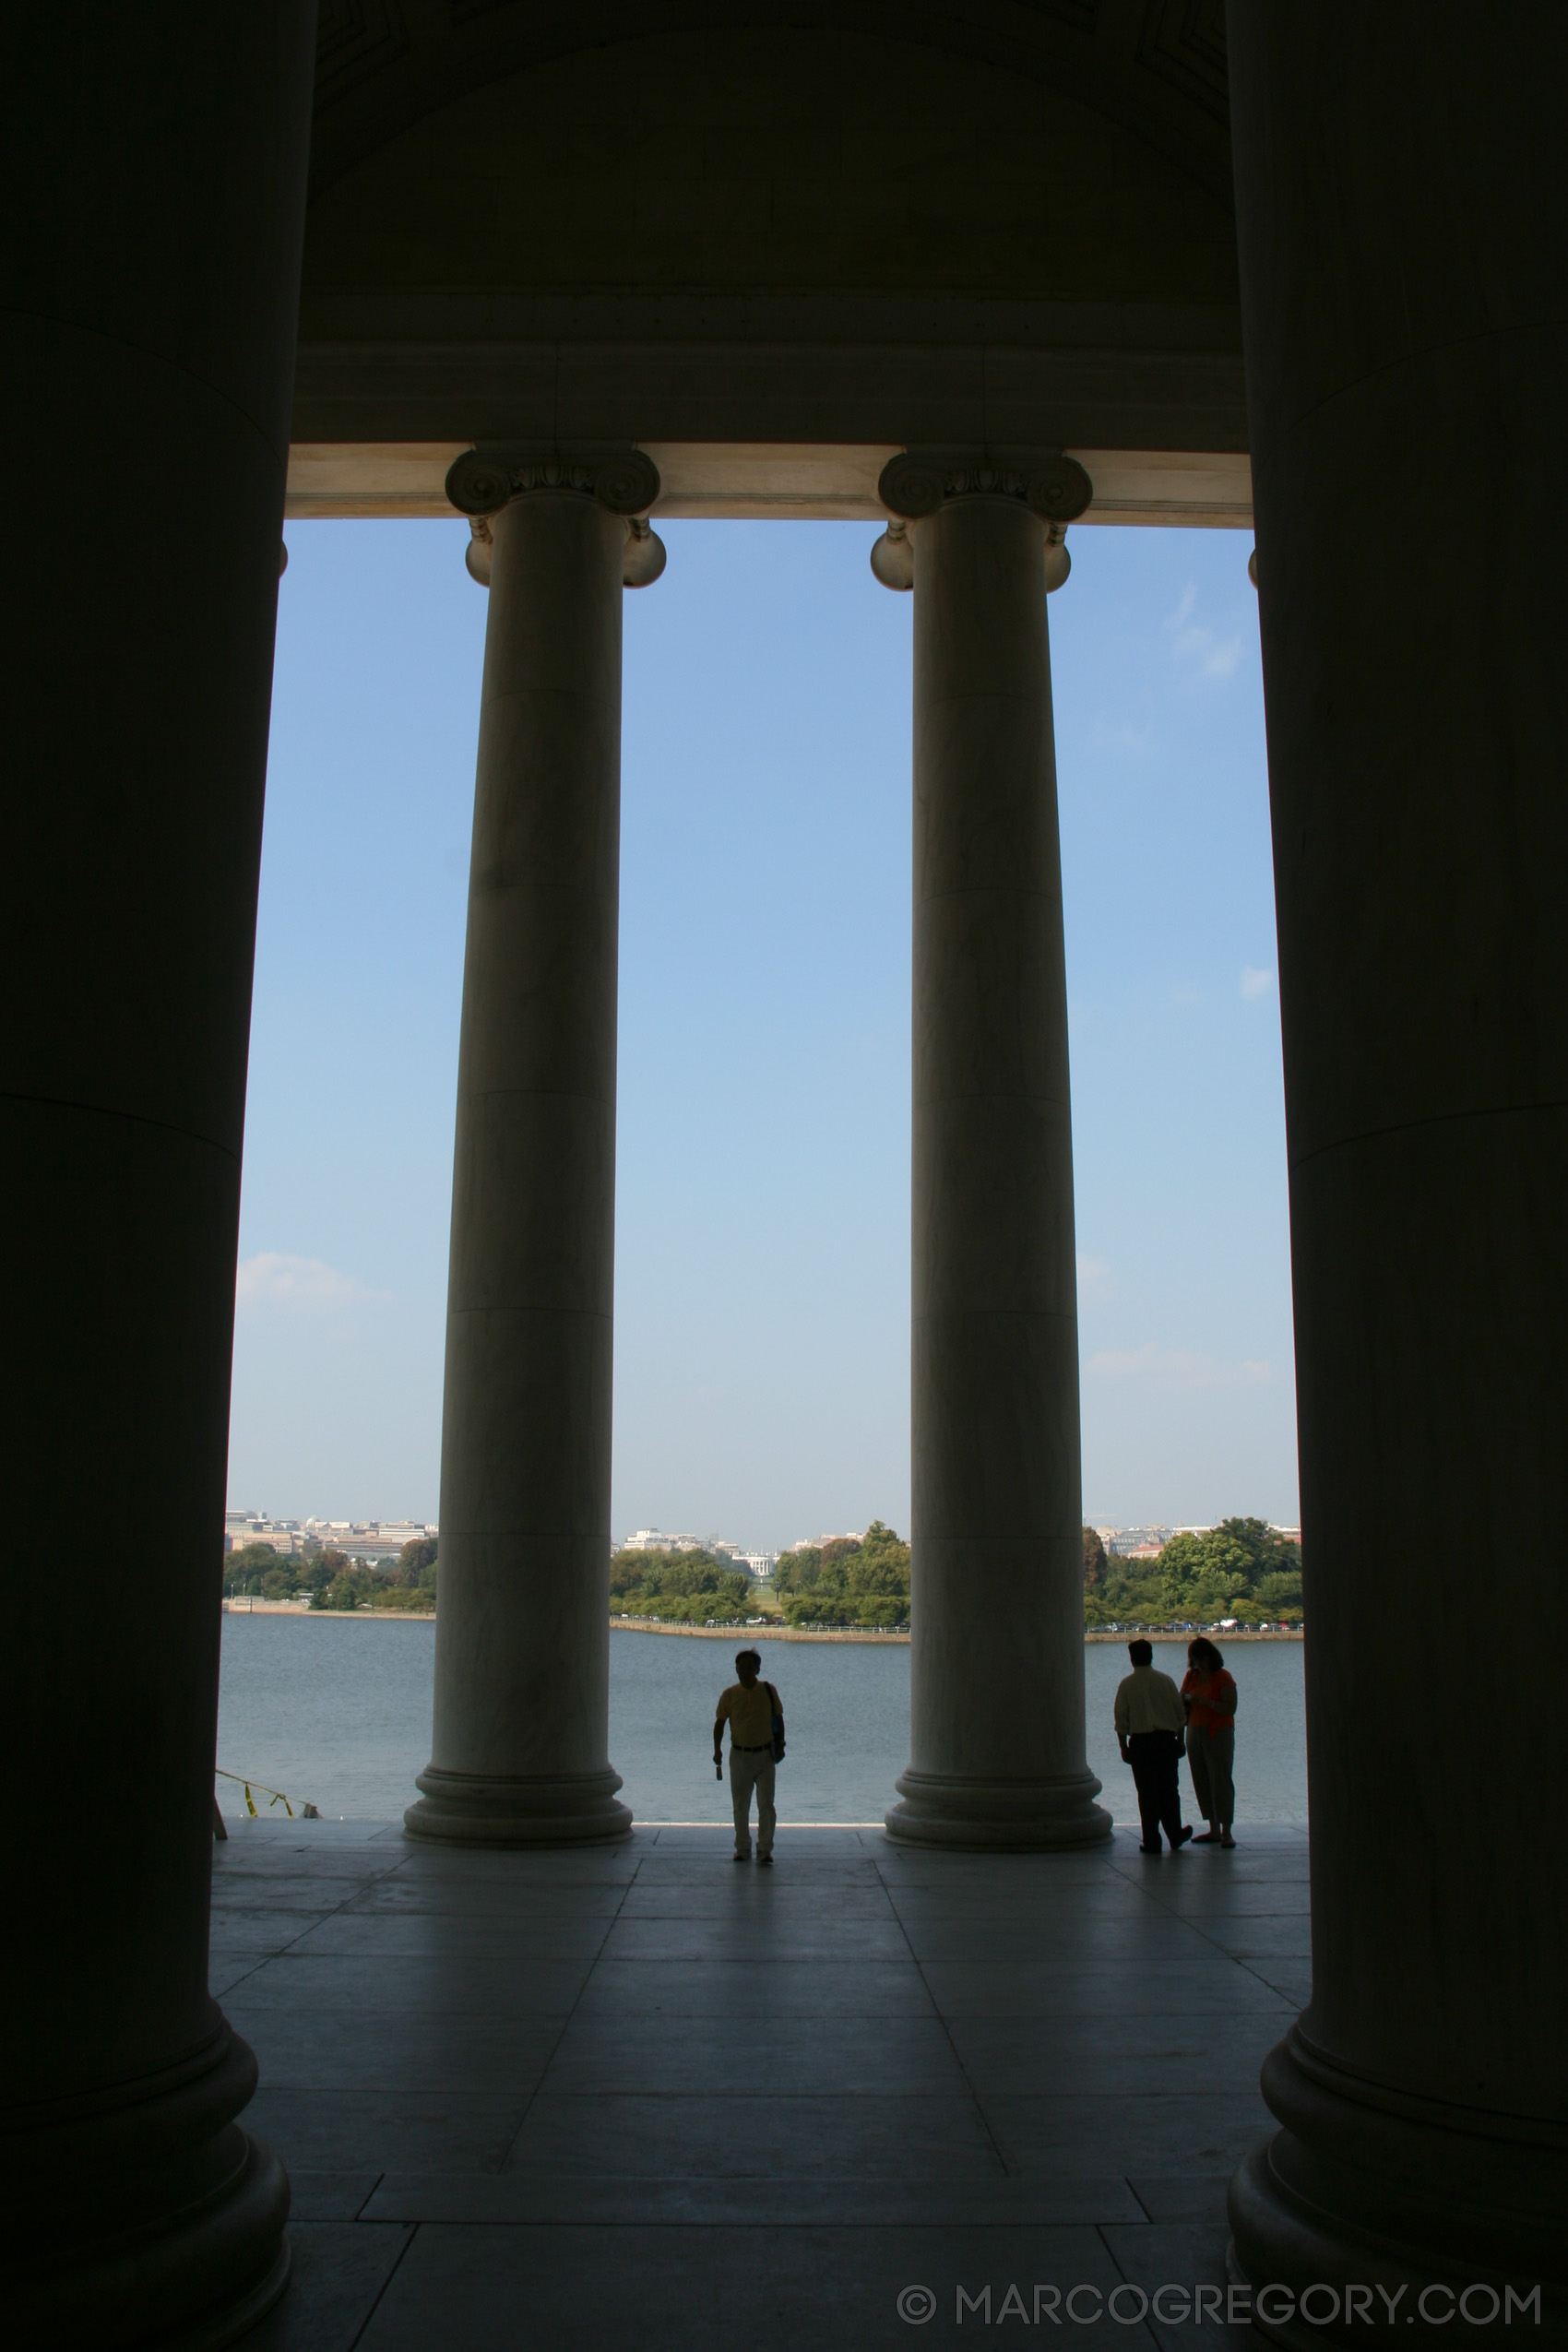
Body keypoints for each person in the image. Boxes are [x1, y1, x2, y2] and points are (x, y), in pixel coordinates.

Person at [1113, 1638, 1194, 1854]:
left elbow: (1121, 1720)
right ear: (1151, 1656)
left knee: (1146, 1794)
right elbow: (1180, 1716)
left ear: (1132, 1659)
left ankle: (1151, 1840)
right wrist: (1180, 1740)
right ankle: (1175, 1834)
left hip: (1140, 1744)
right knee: (1169, 1790)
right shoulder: (1166, 1681)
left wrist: (1123, 1746)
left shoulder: (1127, 1685)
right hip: (1166, 1742)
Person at [714, 1649, 784, 1865]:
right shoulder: (729, 1694)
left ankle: (765, 1849)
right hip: (740, 1755)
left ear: (757, 1669)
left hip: (764, 1755)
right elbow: (719, 1723)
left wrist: (780, 1744)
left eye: (748, 1667)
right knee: (740, 1805)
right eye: (740, 1667)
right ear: (736, 1669)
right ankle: (742, 1848)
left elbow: (779, 1718)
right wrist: (717, 1750)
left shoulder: (768, 1690)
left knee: (766, 1805)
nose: (743, 1671)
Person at [1182, 1636, 1238, 1847]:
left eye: (1201, 1659)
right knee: (1202, 1780)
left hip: (1218, 1732)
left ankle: (1227, 1831)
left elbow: (1230, 1707)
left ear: (1209, 1657)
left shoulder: (1223, 1677)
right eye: (1194, 1660)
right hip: (1194, 1731)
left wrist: (1204, 1702)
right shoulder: (1191, 1677)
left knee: (1220, 1780)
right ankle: (1213, 1828)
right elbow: (1182, 1699)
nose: (1198, 1664)